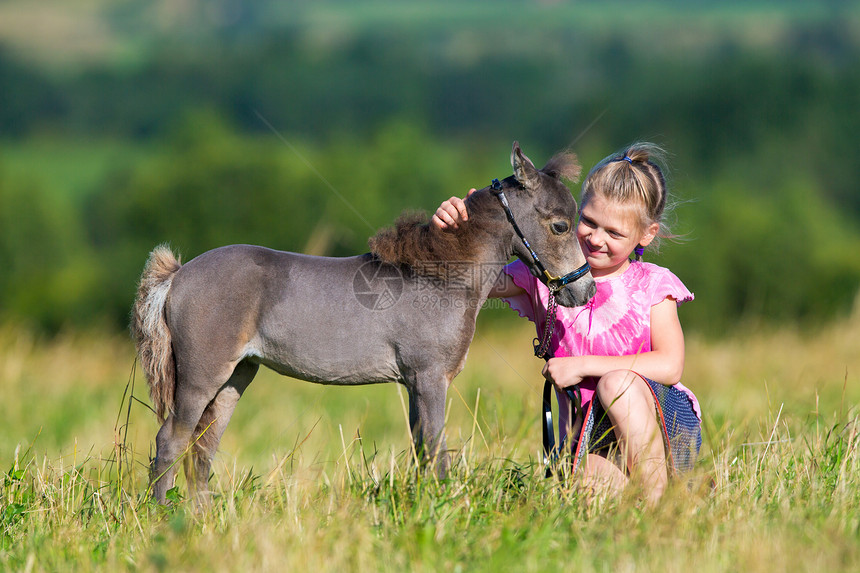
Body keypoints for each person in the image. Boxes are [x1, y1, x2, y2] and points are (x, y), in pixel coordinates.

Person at [431, 143, 701, 505]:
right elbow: (467, 278)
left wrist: (584, 366)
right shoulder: (545, 276)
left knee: (616, 384)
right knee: (589, 498)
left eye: (614, 233)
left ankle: (662, 503)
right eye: (588, 221)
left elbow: (670, 364)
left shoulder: (653, 282)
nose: (595, 237)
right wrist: (464, 231)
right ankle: (656, 501)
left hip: (662, 427)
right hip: (589, 437)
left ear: (646, 235)